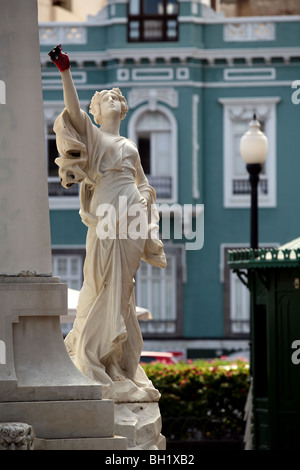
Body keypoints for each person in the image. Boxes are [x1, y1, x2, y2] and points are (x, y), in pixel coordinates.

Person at [49, 45, 167, 402]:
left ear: (123, 109)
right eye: (106, 98)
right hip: (106, 218)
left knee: (123, 291)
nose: (113, 99)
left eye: (118, 97)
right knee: (102, 284)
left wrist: (146, 196)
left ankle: (117, 365)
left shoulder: (130, 145)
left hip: (132, 219)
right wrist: (65, 71)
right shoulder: (95, 138)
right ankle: (97, 360)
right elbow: (72, 110)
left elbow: (143, 181)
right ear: (96, 113)